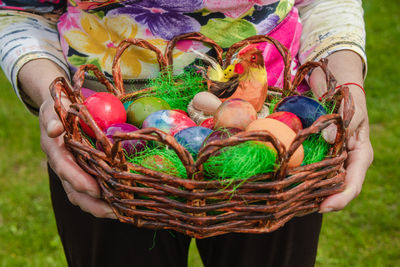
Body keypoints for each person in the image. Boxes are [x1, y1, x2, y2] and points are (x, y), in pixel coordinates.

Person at [0, 1, 373, 266]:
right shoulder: (109, 138)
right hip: (109, 146)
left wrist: (344, 84)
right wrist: (55, 97)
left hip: (274, 139)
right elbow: (21, 9)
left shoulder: (272, 137)